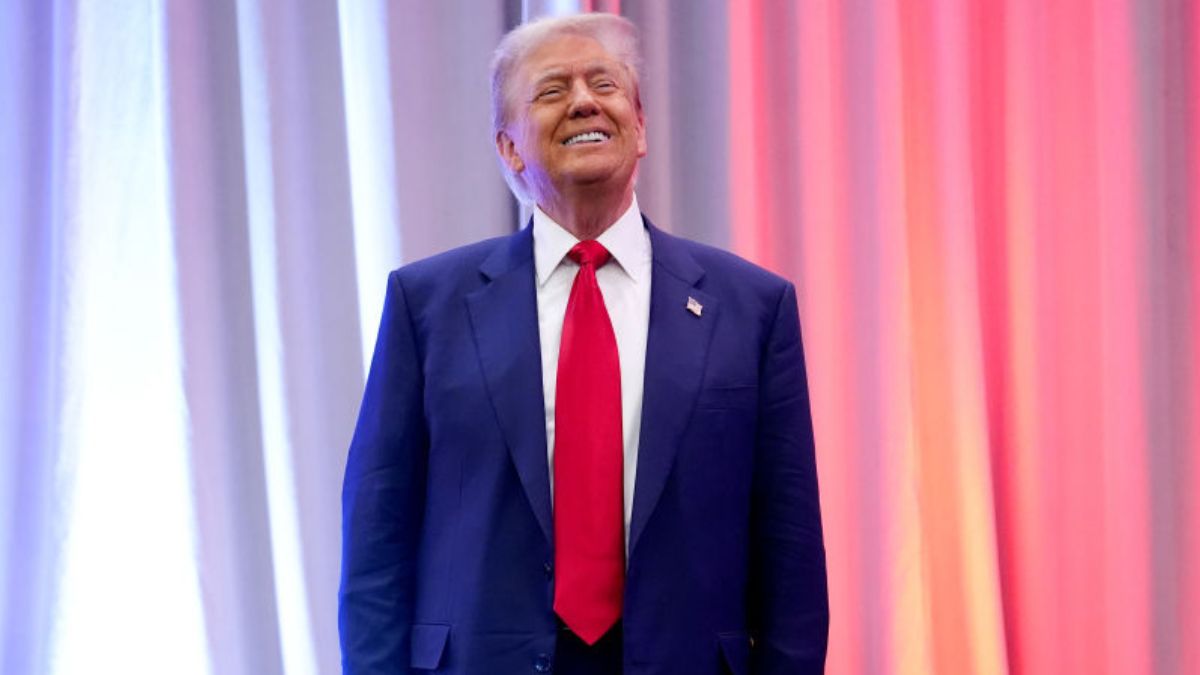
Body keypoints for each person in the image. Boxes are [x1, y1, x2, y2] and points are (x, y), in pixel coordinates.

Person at [339, 13, 828, 675]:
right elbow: (377, 539)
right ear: (509, 148)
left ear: (641, 125)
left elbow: (790, 552)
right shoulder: (427, 305)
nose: (584, 100)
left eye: (605, 83)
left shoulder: (753, 309)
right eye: (551, 90)